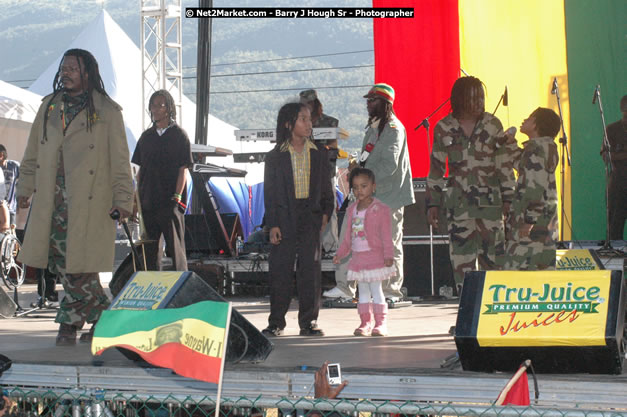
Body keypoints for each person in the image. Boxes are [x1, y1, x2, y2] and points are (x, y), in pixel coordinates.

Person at [16, 48, 133, 346]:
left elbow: (121, 162)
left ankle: (72, 322)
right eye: (63, 67)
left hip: (89, 202)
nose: (65, 72)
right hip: (51, 201)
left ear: (88, 73)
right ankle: (99, 318)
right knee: (62, 261)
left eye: (72, 68)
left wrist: (123, 201)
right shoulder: (50, 107)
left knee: (76, 264)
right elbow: (32, 153)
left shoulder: (106, 111)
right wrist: (25, 189)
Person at [326, 83, 414, 302]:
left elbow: (389, 166)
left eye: (372, 100)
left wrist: (361, 177)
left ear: (385, 104)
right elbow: (369, 159)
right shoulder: (374, 128)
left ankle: (391, 292)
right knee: (348, 237)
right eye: (367, 100)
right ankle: (345, 288)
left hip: (388, 198)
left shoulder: (393, 129)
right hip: (366, 196)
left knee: (389, 243)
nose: (368, 104)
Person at [427, 76, 515, 290]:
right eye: (474, 98)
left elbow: (504, 165)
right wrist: (432, 204)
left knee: (494, 263)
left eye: (482, 98)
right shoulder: (443, 127)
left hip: (490, 207)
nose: (479, 102)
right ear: (460, 99)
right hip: (459, 208)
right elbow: (437, 169)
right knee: (462, 264)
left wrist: (509, 199)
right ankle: (466, 313)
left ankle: (493, 316)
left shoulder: (493, 125)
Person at [262, 102, 334, 337]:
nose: (309, 123)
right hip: (284, 215)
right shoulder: (275, 156)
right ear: (288, 124)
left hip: (310, 215)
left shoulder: (320, 153)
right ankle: (276, 322)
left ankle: (308, 322)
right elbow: (270, 193)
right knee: (280, 270)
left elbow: (326, 188)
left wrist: (325, 213)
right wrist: (272, 224)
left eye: (309, 119)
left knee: (310, 271)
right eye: (303, 119)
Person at [131, 89, 193, 271]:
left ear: (169, 108)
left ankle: (181, 286)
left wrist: (177, 196)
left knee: (176, 249)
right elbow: (139, 170)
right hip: (148, 201)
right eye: (153, 105)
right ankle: (152, 287)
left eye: (160, 105)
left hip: (170, 201)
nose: (156, 109)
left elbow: (183, 169)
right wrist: (136, 200)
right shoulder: (146, 137)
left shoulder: (179, 135)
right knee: (149, 251)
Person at [333, 168, 395, 336]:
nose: (359, 190)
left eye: (364, 186)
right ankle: (365, 323)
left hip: (375, 258)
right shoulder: (351, 209)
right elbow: (347, 237)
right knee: (363, 292)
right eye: (355, 187)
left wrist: (389, 256)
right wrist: (340, 253)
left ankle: (380, 323)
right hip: (358, 259)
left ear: (373, 187)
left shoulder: (381, 209)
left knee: (376, 290)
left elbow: (387, 236)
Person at [503, 108, 560, 270]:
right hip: (546, 224)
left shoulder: (535, 149)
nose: (524, 120)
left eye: (529, 118)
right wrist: (511, 143)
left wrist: (529, 221)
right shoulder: (545, 148)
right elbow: (523, 166)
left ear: (536, 124)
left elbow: (535, 187)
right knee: (543, 277)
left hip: (530, 227)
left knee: (520, 275)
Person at [299, 89, 341, 254]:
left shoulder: (330, 122)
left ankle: (331, 248)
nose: (307, 107)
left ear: (315, 104)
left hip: (325, 173)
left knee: (328, 210)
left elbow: (334, 149)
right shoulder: (299, 123)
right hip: (303, 175)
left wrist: (320, 151)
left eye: (309, 104)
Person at [601, 94, 627, 240]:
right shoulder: (612, 129)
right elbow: (607, 157)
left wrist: (621, 153)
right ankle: (614, 260)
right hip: (618, 184)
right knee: (615, 228)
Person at [0, 145, 19, 228]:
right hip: (1, 207)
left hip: (10, 209)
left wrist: (21, 195)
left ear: (1, 155)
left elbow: (24, 180)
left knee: (10, 235)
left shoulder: (14, 166)